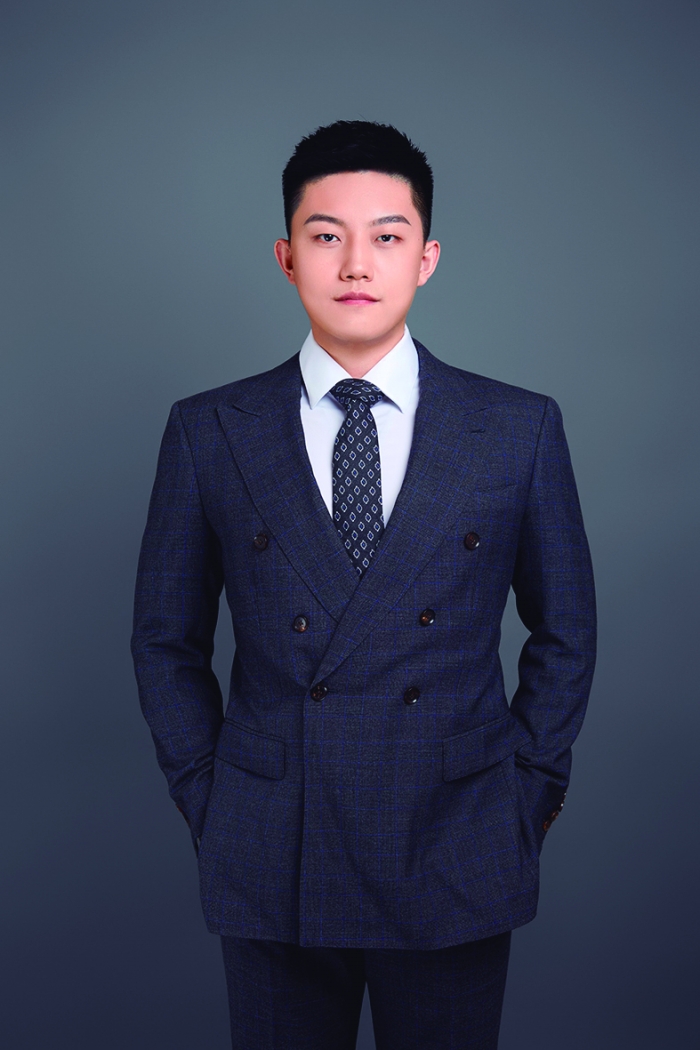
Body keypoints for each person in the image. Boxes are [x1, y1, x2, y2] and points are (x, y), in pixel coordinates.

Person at [131, 120, 596, 1050]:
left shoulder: (517, 428)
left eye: (386, 236)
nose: (355, 263)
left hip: (455, 838)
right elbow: (164, 640)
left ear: (425, 258)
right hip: (274, 843)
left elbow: (567, 631)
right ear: (286, 256)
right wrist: (211, 797)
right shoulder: (209, 430)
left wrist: (525, 794)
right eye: (325, 235)